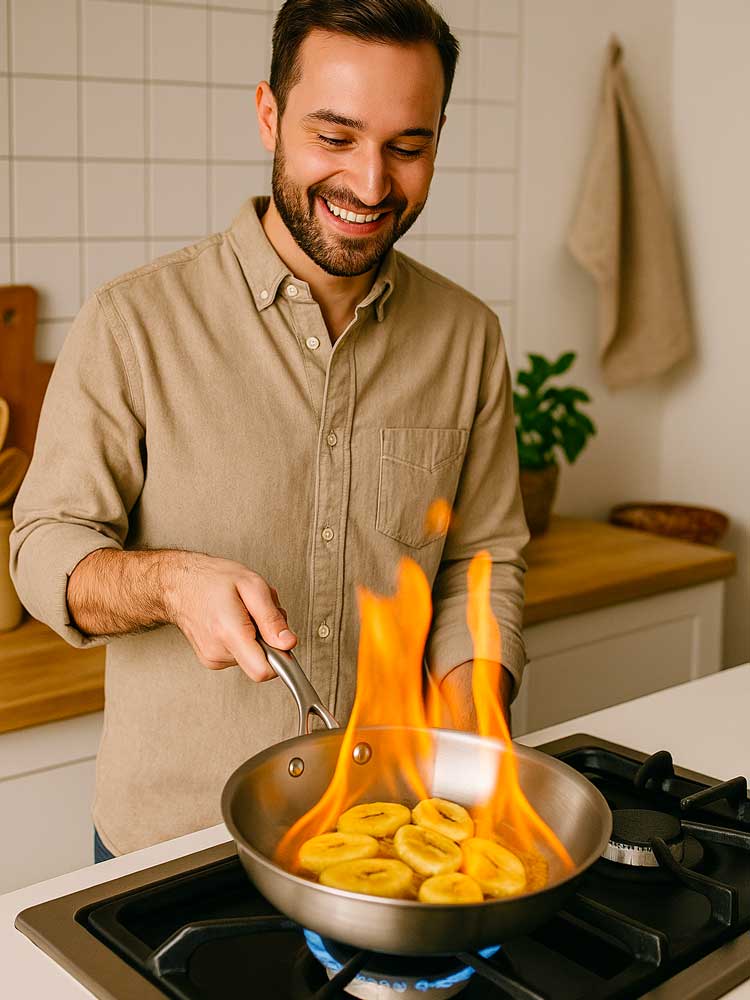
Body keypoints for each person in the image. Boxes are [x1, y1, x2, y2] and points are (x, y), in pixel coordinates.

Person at [10, 0, 529, 861]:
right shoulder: (134, 323)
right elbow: (42, 552)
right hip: (171, 848)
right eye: (335, 137)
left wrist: (473, 740)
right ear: (269, 116)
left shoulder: (467, 336)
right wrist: (169, 584)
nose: (371, 185)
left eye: (408, 146)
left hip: (390, 833)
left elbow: (483, 563)